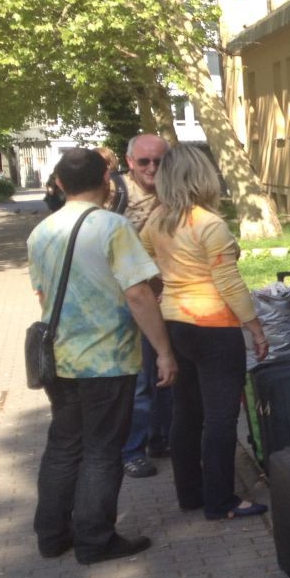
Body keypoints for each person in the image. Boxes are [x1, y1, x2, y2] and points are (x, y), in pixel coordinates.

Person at [27, 148, 177, 564]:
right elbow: (138, 293)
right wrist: (164, 352)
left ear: (59, 184)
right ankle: (95, 539)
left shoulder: (41, 232)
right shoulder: (113, 226)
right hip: (107, 359)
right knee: (101, 450)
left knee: (63, 446)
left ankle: (51, 535)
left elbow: (41, 294)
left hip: (59, 358)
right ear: (107, 180)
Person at [140, 143, 270, 521]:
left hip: (174, 324)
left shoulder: (157, 220)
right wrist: (256, 329)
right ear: (202, 176)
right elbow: (229, 283)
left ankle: (190, 494)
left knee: (186, 413)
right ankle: (221, 501)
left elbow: (144, 263)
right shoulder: (209, 224)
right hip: (214, 327)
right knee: (220, 417)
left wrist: (167, 283)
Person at [119, 134, 173, 478]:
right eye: (144, 161)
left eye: (159, 161)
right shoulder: (114, 195)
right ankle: (132, 450)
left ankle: (161, 438)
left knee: (167, 375)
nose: (152, 168)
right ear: (130, 162)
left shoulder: (176, 190)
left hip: (170, 300)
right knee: (139, 381)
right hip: (131, 302)